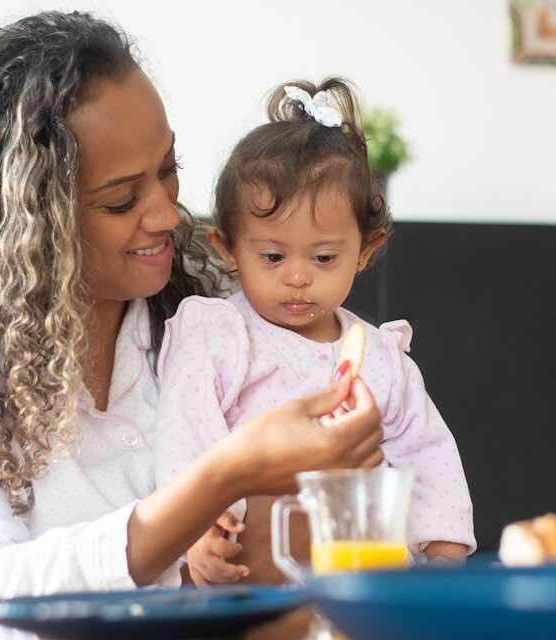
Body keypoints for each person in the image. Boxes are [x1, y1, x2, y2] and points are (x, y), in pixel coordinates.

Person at [0, 11, 383, 607]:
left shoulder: (213, 324)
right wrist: (221, 478)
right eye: (122, 201)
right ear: (28, 222)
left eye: (168, 171)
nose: (168, 215)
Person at [152, 79, 475, 586]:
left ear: (365, 250)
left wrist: (444, 553)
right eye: (273, 256)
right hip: (256, 577)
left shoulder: (381, 355)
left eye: (324, 257)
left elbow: (427, 452)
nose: (298, 276)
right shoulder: (218, 335)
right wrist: (195, 531)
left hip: (369, 583)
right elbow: (184, 438)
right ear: (227, 248)